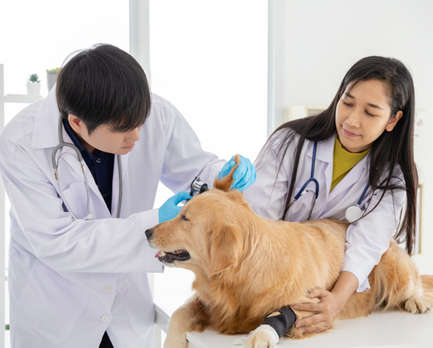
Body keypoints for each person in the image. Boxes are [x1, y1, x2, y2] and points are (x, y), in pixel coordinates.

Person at [0, 44, 255, 348]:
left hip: (126, 309)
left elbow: (195, 171)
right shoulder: (21, 143)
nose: (136, 136)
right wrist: (154, 225)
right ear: (77, 123)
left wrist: (221, 174)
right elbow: (57, 242)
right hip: (58, 310)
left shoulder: (153, 114)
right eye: (123, 130)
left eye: (139, 124)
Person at [243, 56, 417, 340]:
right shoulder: (289, 143)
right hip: (271, 273)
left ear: (393, 119)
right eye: (347, 102)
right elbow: (258, 221)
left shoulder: (391, 179)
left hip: (326, 283)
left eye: (370, 112)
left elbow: (366, 247)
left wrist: (335, 302)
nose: (351, 120)